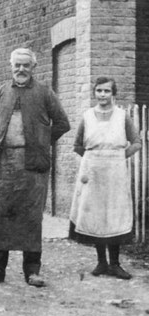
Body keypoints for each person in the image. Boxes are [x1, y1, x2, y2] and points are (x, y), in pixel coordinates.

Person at [0, 48, 70, 287]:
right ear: (11, 66)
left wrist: (41, 142)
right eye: (17, 65)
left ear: (33, 67)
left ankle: (32, 271)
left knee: (31, 218)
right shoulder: (0, 93)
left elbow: (63, 123)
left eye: (26, 65)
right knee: (0, 217)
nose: (21, 69)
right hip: (3, 165)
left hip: (33, 166)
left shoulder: (44, 92)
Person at [69, 77, 141, 280]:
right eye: (99, 91)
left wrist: (117, 157)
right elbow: (77, 145)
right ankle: (101, 263)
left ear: (113, 94)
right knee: (96, 215)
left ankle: (116, 264)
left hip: (115, 172)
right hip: (92, 172)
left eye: (106, 91)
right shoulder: (87, 116)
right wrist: (93, 160)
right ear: (94, 93)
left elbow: (136, 143)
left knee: (114, 215)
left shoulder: (121, 116)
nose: (102, 95)